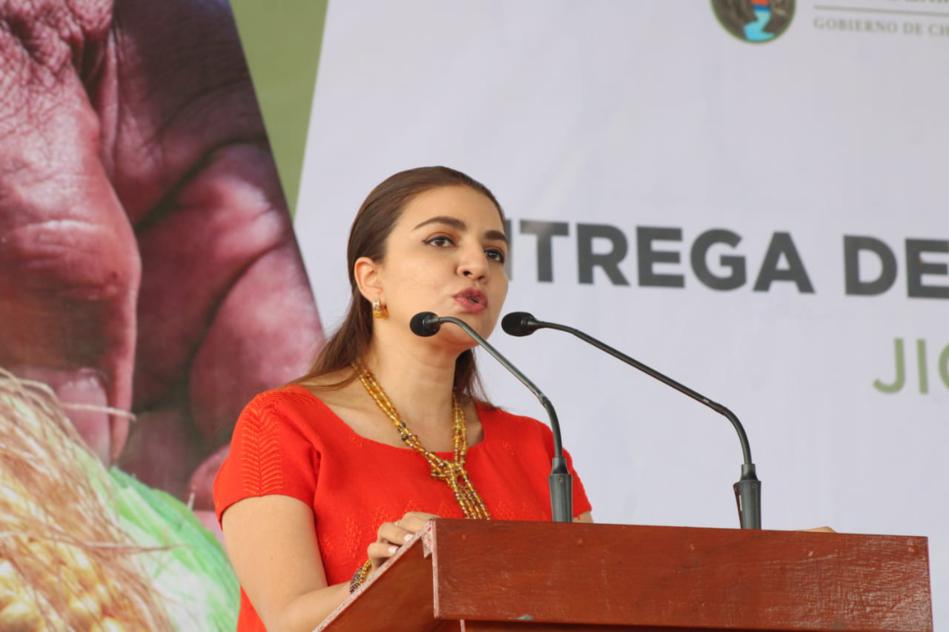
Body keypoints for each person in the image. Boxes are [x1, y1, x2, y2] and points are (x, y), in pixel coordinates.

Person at [213, 166, 592, 631]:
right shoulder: (283, 425)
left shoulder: (538, 447)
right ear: (371, 279)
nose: (477, 265)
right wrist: (383, 584)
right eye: (441, 241)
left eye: (494, 253)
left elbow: (593, 603)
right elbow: (288, 622)